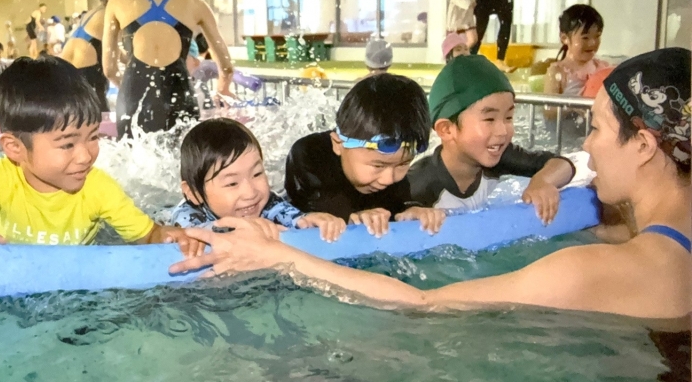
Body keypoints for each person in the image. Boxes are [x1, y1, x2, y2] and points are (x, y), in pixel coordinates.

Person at [171, 47, 691, 323]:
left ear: (644, 145)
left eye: (595, 129)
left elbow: (424, 303)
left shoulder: (591, 270)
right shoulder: (646, 245)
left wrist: (278, 256)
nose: (587, 147)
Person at [0, 56, 201, 274]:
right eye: (67, 144)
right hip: (12, 274)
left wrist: (167, 236)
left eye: (93, 137)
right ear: (15, 148)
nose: (85, 156)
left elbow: (148, 235)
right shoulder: (1, 179)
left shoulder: (98, 188)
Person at [406, 55, 576, 227]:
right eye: (489, 119)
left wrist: (543, 181)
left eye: (509, 117)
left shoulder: (497, 156)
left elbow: (562, 164)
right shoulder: (417, 183)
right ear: (446, 129)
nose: (503, 131)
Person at [102, 0, 236, 139]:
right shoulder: (195, 5)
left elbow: (109, 69)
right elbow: (225, 66)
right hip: (179, 95)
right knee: (181, 154)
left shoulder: (117, 3)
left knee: (133, 156)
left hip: (132, 97)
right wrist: (222, 89)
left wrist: (128, 87)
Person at [284, 73, 443, 236]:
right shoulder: (310, 154)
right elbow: (308, 217)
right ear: (338, 144)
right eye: (378, 165)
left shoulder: (389, 169)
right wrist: (351, 218)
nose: (389, 179)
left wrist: (412, 210)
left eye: (403, 164)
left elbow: (399, 205)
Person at [171, 118, 346, 242]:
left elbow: (292, 217)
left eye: (257, 174)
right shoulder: (186, 216)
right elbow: (192, 234)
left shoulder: (267, 203)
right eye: (232, 183)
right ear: (194, 193)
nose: (250, 193)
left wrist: (308, 220)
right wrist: (245, 230)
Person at [62, 0, 132, 112]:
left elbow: (120, 55)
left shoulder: (91, 14)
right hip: (87, 84)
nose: (131, 0)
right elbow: (111, 71)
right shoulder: (107, 18)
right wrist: (132, 92)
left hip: (67, 83)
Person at [544, 5, 611, 140]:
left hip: (593, 135)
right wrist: (574, 106)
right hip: (566, 137)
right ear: (564, 38)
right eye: (585, 38)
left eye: (597, 36)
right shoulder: (558, 72)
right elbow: (548, 111)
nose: (592, 43)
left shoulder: (602, 68)